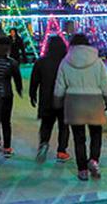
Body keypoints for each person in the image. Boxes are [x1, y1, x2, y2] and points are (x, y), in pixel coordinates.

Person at [54, 34, 107, 181]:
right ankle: (94, 160)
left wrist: (57, 102)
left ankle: (82, 169)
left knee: (79, 138)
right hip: (94, 102)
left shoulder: (65, 62)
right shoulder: (97, 61)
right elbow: (105, 83)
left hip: (74, 102)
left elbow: (60, 85)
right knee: (96, 135)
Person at [29, 35, 70, 163]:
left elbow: (34, 81)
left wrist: (32, 95)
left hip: (46, 98)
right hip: (64, 99)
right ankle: (61, 151)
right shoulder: (67, 62)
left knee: (46, 124)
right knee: (64, 126)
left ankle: (44, 143)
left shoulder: (41, 62)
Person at [0, 36, 23, 157]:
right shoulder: (12, 63)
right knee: (6, 121)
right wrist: (19, 90)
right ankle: (7, 147)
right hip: (7, 94)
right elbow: (17, 80)